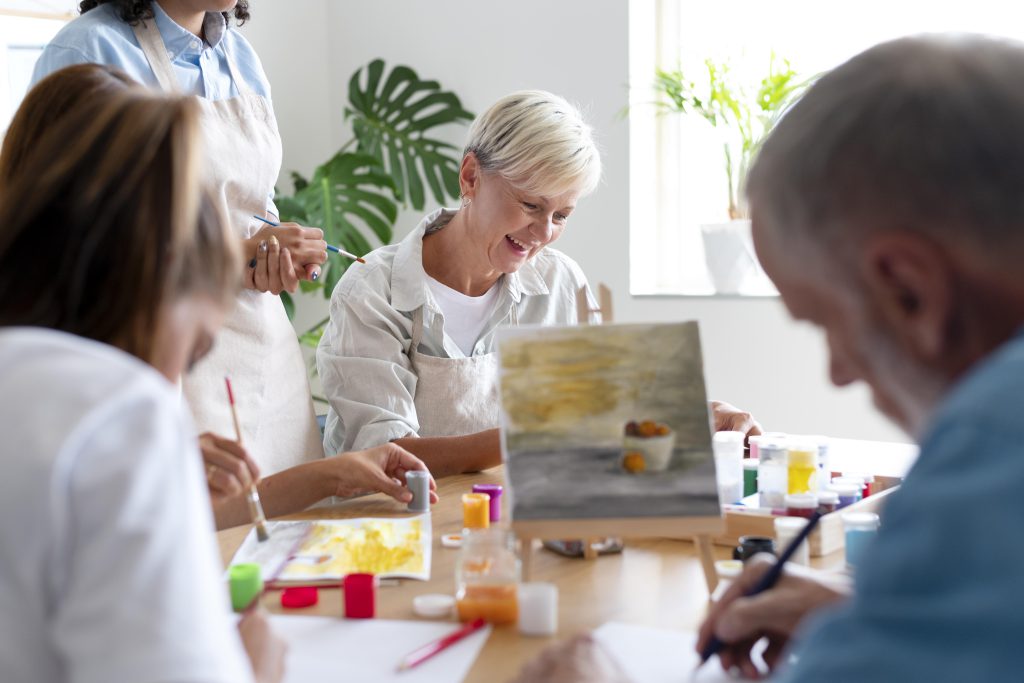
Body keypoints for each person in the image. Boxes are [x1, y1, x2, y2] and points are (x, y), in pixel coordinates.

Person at [523, 33, 1024, 682]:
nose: (838, 372)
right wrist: (867, 613)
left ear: (910, 288)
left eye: (826, 323)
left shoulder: (991, 446)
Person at [318, 90, 762, 477]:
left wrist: (692, 418)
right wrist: (533, 435)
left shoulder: (560, 283)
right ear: (470, 177)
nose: (544, 232)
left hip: (506, 526)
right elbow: (384, 456)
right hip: (391, 536)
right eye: (531, 205)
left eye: (562, 215)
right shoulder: (373, 293)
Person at [0, 81, 285, 683]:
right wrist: (252, 669)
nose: (176, 376)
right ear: (157, 282)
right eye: (196, 347)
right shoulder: (120, 412)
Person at [32, 0, 328, 478]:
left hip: (263, 358)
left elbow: (254, 203)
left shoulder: (240, 56)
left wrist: (275, 243)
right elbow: (74, 244)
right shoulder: (88, 50)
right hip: (162, 351)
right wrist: (233, 255)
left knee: (295, 538)